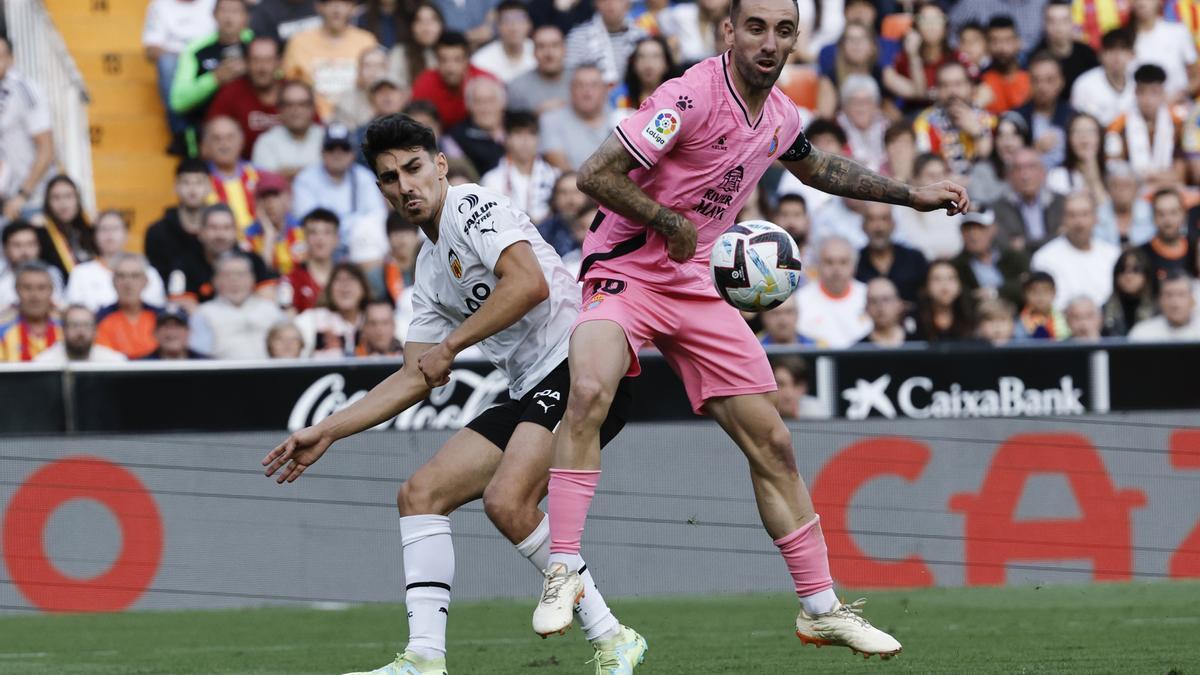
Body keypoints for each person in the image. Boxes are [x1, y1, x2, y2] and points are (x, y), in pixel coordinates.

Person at [536, 0, 968, 658]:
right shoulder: (687, 96)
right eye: (757, 27)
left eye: (784, 30)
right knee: (590, 384)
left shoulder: (781, 115)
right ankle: (562, 565)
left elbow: (816, 165)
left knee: (774, 443)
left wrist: (912, 194)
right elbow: (594, 175)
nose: (770, 42)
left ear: (797, 39)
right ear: (730, 31)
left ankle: (820, 606)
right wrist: (671, 221)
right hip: (629, 271)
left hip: (698, 285)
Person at [263, 114, 644, 674]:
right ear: (381, 190)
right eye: (391, 178)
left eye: (414, 168)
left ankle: (612, 637)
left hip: (583, 363)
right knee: (420, 495)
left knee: (507, 502)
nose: (405, 185)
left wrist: (454, 344)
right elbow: (415, 375)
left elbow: (528, 283)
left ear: (440, 167)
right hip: (529, 385)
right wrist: (328, 430)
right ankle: (424, 659)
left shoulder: (472, 207)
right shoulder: (429, 268)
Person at [292, 124, 390, 265]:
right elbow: (307, 219)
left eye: (344, 148)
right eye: (331, 148)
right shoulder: (306, 178)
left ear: (353, 153)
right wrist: (351, 225)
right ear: (322, 152)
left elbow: (377, 216)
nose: (337, 154)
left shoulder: (364, 177)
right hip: (319, 244)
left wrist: (348, 230)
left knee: (371, 230)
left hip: (358, 245)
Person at [169, 0, 252, 153]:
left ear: (247, 17)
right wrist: (214, 78)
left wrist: (251, 70)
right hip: (207, 129)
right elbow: (178, 101)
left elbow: (279, 81)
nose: (229, 17)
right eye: (224, 11)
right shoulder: (196, 49)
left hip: (251, 126)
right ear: (213, 15)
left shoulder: (257, 46)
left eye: (235, 11)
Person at [282, 0, 379, 120]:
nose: (336, 8)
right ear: (318, 7)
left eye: (343, 2)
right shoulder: (299, 42)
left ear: (353, 8)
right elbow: (289, 85)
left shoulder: (366, 41)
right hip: (311, 122)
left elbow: (376, 85)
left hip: (358, 119)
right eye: (329, 2)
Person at [142, 0, 219, 146]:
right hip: (178, 64)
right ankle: (181, 132)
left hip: (208, 59)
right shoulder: (160, 5)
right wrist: (187, 58)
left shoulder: (213, 3)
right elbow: (151, 50)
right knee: (167, 64)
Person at [170, 204, 276, 309]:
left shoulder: (254, 261)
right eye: (213, 228)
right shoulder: (185, 264)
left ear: (236, 232)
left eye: (227, 228)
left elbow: (267, 300)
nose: (220, 235)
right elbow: (183, 306)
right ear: (201, 232)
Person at [1031, 191, 1121, 309]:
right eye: (1072, 215)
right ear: (1063, 219)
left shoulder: (1113, 254)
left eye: (1085, 214)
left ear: (1096, 218)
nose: (1079, 222)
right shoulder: (1044, 258)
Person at [65, 211, 167, 312]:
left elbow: (156, 311)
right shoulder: (80, 273)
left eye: (115, 228)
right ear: (94, 236)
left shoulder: (148, 272)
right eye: (103, 229)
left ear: (127, 234)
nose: (109, 234)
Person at [0, 36, 56, 222]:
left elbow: (46, 148)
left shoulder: (24, 90)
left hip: (28, 201)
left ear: (11, 58)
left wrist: (22, 195)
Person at [189, 252, 285, 358]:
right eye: (227, 275)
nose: (234, 280)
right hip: (226, 372)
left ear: (252, 279)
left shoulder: (270, 309)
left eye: (240, 274)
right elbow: (201, 355)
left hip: (271, 372)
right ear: (215, 281)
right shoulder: (204, 313)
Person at [1105, 65, 1186, 191]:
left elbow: (1180, 174)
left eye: (1154, 92)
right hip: (1132, 192)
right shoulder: (1118, 126)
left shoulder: (1178, 123)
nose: (1148, 99)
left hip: (1169, 190)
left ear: (1163, 93)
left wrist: (1149, 177)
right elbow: (1115, 170)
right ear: (1135, 92)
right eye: (1142, 92)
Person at [912, 61, 995, 177]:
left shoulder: (986, 118)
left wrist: (976, 131)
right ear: (937, 90)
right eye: (945, 85)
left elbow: (989, 158)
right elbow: (925, 169)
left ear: (970, 87)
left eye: (958, 84)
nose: (952, 92)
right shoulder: (924, 123)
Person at [206, 35, 284, 157]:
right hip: (243, 170)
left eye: (268, 60)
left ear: (279, 62)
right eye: (256, 60)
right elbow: (208, 146)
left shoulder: (294, 94)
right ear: (246, 62)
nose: (262, 68)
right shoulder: (230, 94)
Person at [481, 112, 559, 223]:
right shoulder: (491, 180)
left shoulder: (555, 176)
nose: (525, 140)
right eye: (518, 133)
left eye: (531, 133)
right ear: (506, 139)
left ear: (538, 139)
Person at [797, 236, 872, 347]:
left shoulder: (870, 296)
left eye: (843, 262)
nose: (836, 269)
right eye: (829, 262)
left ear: (854, 265)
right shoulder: (800, 300)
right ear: (818, 265)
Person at [145, 159, 212, 284]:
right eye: (186, 183)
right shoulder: (157, 232)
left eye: (199, 183)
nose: (193, 190)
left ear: (210, 187)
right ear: (175, 186)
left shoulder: (220, 229)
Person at [883, 3, 959, 111]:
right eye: (925, 20)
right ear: (916, 27)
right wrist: (913, 56)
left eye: (937, 20)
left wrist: (928, 94)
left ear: (946, 27)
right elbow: (919, 93)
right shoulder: (902, 58)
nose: (931, 26)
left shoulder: (956, 57)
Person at [411, 32, 493, 131]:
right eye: (444, 60)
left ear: (467, 60)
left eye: (457, 60)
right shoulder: (424, 83)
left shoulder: (485, 82)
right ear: (437, 61)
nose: (450, 68)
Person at [539, 64, 614, 172]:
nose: (587, 92)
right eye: (580, 85)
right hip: (570, 186)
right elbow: (559, 164)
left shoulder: (620, 118)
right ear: (570, 89)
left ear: (605, 90)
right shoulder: (551, 120)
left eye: (593, 85)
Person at [990, 147, 1064, 252]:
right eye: (1018, 169)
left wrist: (1025, 244)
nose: (1025, 175)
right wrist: (1052, 238)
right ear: (1009, 176)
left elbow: (1064, 238)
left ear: (1043, 172)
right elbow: (1007, 247)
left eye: (1031, 167)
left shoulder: (1061, 203)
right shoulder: (998, 209)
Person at [892, 153, 964, 260]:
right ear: (915, 179)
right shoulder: (899, 210)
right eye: (931, 176)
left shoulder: (956, 206)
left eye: (942, 175)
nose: (939, 182)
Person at [951, 209, 1030, 306]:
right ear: (961, 232)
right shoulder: (955, 266)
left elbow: (1027, 286)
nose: (973, 234)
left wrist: (994, 292)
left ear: (993, 229)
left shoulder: (1014, 257)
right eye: (967, 228)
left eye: (979, 228)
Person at [855, 201, 928, 304]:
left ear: (893, 224)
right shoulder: (854, 262)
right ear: (863, 226)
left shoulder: (915, 259)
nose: (878, 227)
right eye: (871, 219)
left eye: (884, 219)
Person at [293, 262, 370, 357]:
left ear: (363, 288)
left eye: (351, 279)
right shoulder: (311, 320)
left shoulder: (376, 319)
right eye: (338, 280)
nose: (345, 286)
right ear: (330, 289)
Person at [93, 255, 163, 359]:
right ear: (113, 281)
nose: (128, 283)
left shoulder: (161, 317)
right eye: (121, 276)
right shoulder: (100, 318)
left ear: (146, 281)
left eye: (135, 276)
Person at [251, 80, 323, 178]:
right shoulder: (266, 141)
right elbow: (267, 182)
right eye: (289, 105)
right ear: (279, 109)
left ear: (313, 108)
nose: (296, 110)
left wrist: (285, 173)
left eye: (302, 104)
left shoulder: (325, 138)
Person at [202, 115, 262, 233]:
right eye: (216, 138)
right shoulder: (200, 180)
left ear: (241, 141)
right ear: (206, 145)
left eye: (230, 138)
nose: (224, 144)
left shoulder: (260, 175)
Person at [564, 0, 647, 86]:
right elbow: (570, 78)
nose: (610, 3)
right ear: (595, 3)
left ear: (627, 3)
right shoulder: (578, 36)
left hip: (636, 96)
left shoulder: (642, 36)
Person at [1130, 0, 1198, 100]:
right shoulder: (1124, 40)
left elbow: (1197, 75)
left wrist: (1181, 95)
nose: (1141, 3)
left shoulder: (1178, 32)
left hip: (1178, 109)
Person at [1015, 53, 1074, 170]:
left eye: (1049, 80)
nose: (1042, 87)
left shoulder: (1073, 117)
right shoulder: (1017, 118)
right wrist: (1034, 151)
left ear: (1061, 82)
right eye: (1036, 80)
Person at [30, 175, 95, 278]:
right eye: (56, 198)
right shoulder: (40, 231)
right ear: (48, 202)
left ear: (78, 199)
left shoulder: (90, 229)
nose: (63, 203)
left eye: (68, 196)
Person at [816, 22, 884, 120]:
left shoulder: (879, 72)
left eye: (862, 39)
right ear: (842, 47)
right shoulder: (831, 77)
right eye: (850, 39)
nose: (856, 44)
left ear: (872, 47)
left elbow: (910, 92)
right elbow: (824, 117)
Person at [1070, 27, 1136, 128]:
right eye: (1111, 49)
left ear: (1132, 54)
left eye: (1122, 49)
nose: (1116, 56)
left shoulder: (1138, 84)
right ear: (1100, 54)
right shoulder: (1084, 84)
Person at [0, 262, 62, 362]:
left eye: (41, 288)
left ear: (51, 291)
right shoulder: (2, 331)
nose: (34, 296)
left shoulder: (66, 329)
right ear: (16, 290)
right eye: (27, 288)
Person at [244, 172, 304, 273]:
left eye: (275, 196)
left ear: (288, 198)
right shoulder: (248, 237)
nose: (269, 203)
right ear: (256, 203)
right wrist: (269, 235)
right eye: (264, 197)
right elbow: (259, 276)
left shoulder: (302, 230)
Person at [1035, 0, 1099, 94]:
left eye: (1064, 20)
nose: (1058, 27)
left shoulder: (1087, 54)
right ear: (1044, 24)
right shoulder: (1036, 57)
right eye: (1052, 21)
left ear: (1072, 23)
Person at [448, 77, 507, 176]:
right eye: (478, 101)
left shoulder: (516, 128)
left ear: (502, 103)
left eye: (490, 100)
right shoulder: (458, 136)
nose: (485, 108)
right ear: (469, 106)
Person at [507, 24, 571, 115]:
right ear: (533, 52)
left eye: (555, 45)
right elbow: (512, 126)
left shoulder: (582, 82)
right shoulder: (517, 88)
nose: (549, 53)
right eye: (541, 46)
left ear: (565, 50)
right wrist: (535, 116)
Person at [0, 221, 64, 309]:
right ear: (5, 249)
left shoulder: (52, 273)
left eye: (30, 244)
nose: (25, 251)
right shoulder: (2, 277)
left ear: (39, 246)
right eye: (17, 245)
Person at [1140, 188, 1198, 285]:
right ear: (1153, 217)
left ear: (1184, 215)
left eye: (1173, 212)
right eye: (1161, 214)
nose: (1168, 220)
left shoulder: (1196, 251)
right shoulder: (1141, 255)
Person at [1046, 113, 1107, 203]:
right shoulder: (1058, 176)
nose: (1084, 137)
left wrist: (1094, 180)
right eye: (1077, 132)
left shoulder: (1113, 173)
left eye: (1090, 131)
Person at [33, 305, 126, 363]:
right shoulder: (43, 363)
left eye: (86, 325)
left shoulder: (114, 362)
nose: (80, 332)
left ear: (95, 331)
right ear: (63, 331)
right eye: (74, 325)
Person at [470, 0, 535, 82]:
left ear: (529, 25)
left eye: (519, 20)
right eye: (506, 21)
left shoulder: (540, 53)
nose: (513, 27)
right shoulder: (480, 61)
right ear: (497, 26)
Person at [913, 259, 977, 342]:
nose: (944, 284)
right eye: (937, 279)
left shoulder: (973, 317)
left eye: (951, 278)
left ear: (960, 286)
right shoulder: (914, 319)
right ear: (926, 287)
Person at [1096, 160, 1156, 246]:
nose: (1121, 191)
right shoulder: (1098, 215)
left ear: (1137, 189)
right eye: (1115, 185)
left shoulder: (1151, 212)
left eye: (1127, 185)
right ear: (1108, 190)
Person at [979, 15, 1030, 115]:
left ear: (1018, 42)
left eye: (1007, 41)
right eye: (995, 41)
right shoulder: (979, 81)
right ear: (986, 44)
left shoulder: (1032, 78)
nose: (1002, 48)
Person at [616, 36, 679, 117]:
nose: (648, 64)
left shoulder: (677, 98)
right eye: (642, 57)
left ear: (666, 64)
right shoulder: (620, 98)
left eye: (655, 56)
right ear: (634, 64)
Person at [836, 75, 888, 173]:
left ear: (876, 105)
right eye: (855, 102)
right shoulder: (835, 129)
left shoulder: (887, 127)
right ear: (845, 106)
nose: (861, 108)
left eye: (866, 101)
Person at [1128, 270, 1200, 340]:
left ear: (1192, 301)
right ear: (1160, 300)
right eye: (1169, 295)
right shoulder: (1142, 334)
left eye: (1181, 295)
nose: (1175, 303)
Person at [1102, 248, 1156, 336]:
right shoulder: (1105, 311)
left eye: (1136, 270)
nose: (1128, 276)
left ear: (1147, 275)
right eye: (1122, 269)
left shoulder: (1158, 310)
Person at [1014, 269, 1069, 339]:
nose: (1040, 296)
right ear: (1024, 294)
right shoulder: (1017, 324)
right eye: (1034, 291)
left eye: (1045, 291)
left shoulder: (1066, 320)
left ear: (1054, 293)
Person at [859, 277, 913, 347]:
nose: (880, 307)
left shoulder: (919, 343)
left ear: (899, 304)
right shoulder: (860, 349)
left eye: (886, 299)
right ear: (866, 308)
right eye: (873, 301)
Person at [140, 304, 207, 359]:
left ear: (189, 332)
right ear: (155, 333)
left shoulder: (206, 364)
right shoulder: (141, 366)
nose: (171, 333)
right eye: (166, 326)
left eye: (177, 326)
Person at [769, 354, 824, 419]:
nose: (789, 394)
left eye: (796, 385)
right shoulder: (761, 412)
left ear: (805, 387)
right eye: (780, 384)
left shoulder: (816, 413)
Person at [250, 0, 320, 45]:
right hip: (282, 63)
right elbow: (261, 45)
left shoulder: (321, 3)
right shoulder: (265, 10)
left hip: (322, 60)